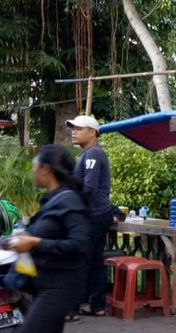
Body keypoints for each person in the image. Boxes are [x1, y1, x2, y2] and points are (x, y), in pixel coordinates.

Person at [7, 145, 90, 333]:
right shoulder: (55, 200)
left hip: (61, 286)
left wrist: (36, 243)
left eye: (34, 166)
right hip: (47, 284)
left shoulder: (68, 201)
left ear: (46, 170)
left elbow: (80, 244)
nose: (32, 171)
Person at [66, 114, 112, 319]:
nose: (74, 132)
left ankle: (72, 309)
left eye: (79, 128)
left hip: (92, 214)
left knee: (80, 261)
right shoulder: (89, 154)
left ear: (92, 132)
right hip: (99, 214)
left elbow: (89, 189)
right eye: (73, 128)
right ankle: (97, 305)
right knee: (94, 261)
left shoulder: (93, 155)